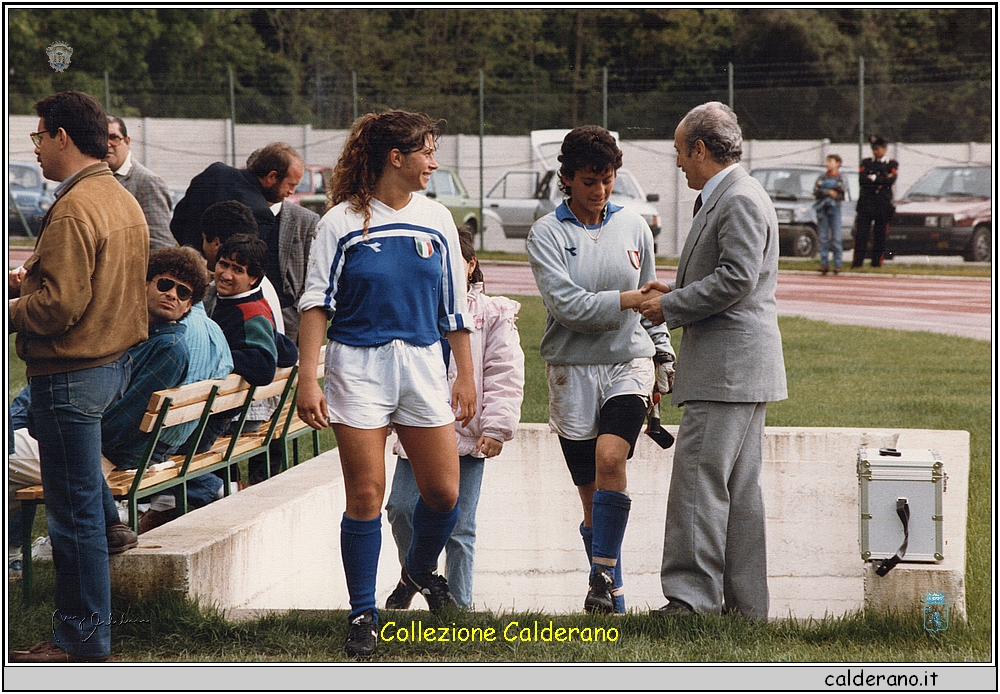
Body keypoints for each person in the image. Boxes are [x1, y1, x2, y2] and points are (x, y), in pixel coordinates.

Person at [296, 110, 476, 658]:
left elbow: (455, 306)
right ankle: (363, 612)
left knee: (445, 494)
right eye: (426, 152)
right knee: (367, 495)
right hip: (358, 367)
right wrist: (309, 377)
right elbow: (314, 304)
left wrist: (465, 373)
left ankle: (418, 572)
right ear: (395, 157)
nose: (434, 162)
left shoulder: (438, 219)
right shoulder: (340, 223)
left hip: (423, 365)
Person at [10, 91, 149, 663]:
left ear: (63, 136)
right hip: (107, 368)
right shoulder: (117, 197)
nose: (37, 148)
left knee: (72, 520)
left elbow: (57, 309)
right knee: (83, 511)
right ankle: (86, 636)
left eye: (39, 136)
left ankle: (82, 642)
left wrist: (11, 306)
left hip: (70, 375)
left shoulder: (73, 208)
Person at [638, 102, 787, 621]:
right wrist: (673, 288)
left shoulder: (737, 198)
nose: (678, 162)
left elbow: (737, 278)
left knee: (700, 484)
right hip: (742, 370)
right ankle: (746, 609)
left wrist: (670, 305)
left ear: (700, 149)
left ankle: (692, 601)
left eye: (680, 151)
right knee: (739, 494)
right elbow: (729, 274)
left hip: (726, 370)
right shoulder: (733, 194)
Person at [525, 126, 675, 615]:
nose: (600, 190)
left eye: (607, 179)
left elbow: (650, 301)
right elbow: (569, 307)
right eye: (589, 180)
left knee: (613, 458)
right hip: (571, 369)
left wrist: (662, 351)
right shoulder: (546, 233)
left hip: (627, 362)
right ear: (566, 179)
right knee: (591, 498)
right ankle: (612, 591)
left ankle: (603, 574)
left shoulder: (634, 226)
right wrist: (630, 299)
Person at [8, 248, 232, 536]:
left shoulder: (168, 348)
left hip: (100, 455)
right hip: (87, 443)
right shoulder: (137, 332)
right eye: (165, 284)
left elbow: (120, 426)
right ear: (146, 284)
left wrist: (63, 426)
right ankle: (15, 552)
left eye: (183, 293)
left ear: (188, 306)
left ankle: (22, 549)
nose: (172, 294)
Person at [384, 224, 525, 611]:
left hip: (468, 435)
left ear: (471, 265)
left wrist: (496, 427)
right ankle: (420, 573)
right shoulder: (416, 309)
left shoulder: (492, 314)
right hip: (421, 430)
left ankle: (458, 607)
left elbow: (504, 372)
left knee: (461, 527)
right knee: (400, 509)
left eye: (455, 261)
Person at [171, 143, 317, 339]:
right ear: (272, 176)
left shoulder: (215, 172)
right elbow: (241, 263)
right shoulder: (261, 214)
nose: (291, 192)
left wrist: (195, 253)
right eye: (290, 185)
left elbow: (176, 223)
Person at [190, 233, 297, 465]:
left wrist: (214, 355)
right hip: (216, 410)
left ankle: (212, 488)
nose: (226, 275)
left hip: (216, 420)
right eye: (223, 264)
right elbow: (287, 351)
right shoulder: (245, 302)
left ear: (253, 278)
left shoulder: (249, 312)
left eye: (238, 270)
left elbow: (264, 367)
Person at [106, 115, 176, 251]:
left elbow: (161, 245)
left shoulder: (148, 182)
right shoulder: (95, 179)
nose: (107, 144)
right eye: (101, 138)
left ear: (127, 141)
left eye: (113, 138)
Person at [852, 135, 898, 268]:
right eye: (873, 148)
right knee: (861, 234)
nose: (875, 151)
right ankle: (857, 262)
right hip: (866, 204)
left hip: (883, 205)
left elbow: (890, 181)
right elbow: (862, 180)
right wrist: (881, 178)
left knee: (880, 235)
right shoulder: (866, 162)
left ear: (885, 148)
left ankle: (876, 262)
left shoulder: (892, 164)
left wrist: (874, 178)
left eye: (877, 148)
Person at [813, 154, 849, 275]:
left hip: (835, 208)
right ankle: (824, 264)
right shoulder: (822, 176)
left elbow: (841, 190)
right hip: (822, 208)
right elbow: (816, 190)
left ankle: (838, 264)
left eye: (830, 161)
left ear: (838, 163)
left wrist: (824, 188)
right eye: (827, 161)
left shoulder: (841, 177)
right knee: (823, 237)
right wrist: (829, 191)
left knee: (836, 238)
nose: (827, 164)